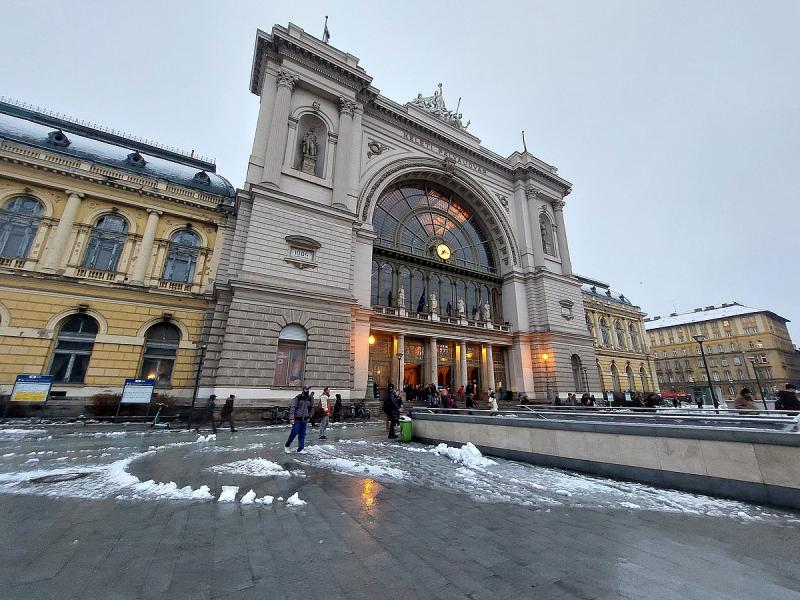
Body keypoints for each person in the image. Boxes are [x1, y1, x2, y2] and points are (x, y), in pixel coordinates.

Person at [285, 387, 312, 453]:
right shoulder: (298, 398)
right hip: (297, 419)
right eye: (306, 389)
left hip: (304, 419)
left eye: (308, 389)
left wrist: (309, 416)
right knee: (294, 432)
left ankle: (300, 448)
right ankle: (287, 445)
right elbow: (293, 408)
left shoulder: (309, 398)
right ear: (303, 390)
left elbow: (310, 408)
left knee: (302, 434)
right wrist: (291, 418)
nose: (307, 391)